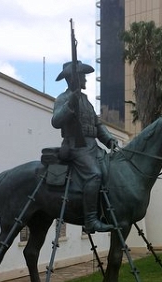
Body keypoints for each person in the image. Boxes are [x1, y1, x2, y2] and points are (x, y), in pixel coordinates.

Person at [52, 60, 116, 232]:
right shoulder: (63, 99)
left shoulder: (86, 101)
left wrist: (109, 140)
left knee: (111, 169)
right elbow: (56, 121)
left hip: (92, 146)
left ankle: (105, 211)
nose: (86, 79)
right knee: (94, 175)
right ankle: (90, 220)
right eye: (82, 76)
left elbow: (97, 124)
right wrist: (69, 106)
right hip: (75, 146)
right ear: (74, 78)